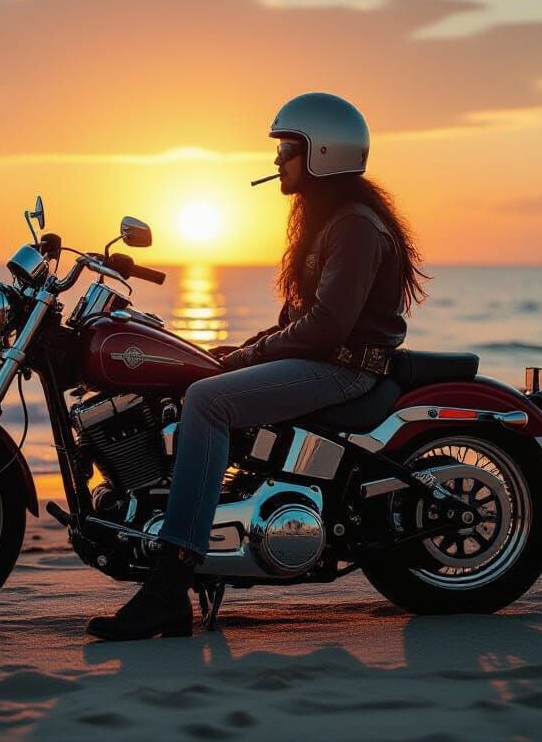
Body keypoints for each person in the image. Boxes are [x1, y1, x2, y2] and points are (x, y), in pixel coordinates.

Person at [86, 92, 428, 641]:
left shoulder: (355, 226)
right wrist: (232, 352)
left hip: (344, 370)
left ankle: (169, 586)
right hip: (324, 360)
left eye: (287, 149)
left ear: (322, 154)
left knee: (207, 400)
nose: (276, 161)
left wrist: (243, 358)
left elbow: (325, 329)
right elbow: (298, 322)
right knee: (193, 382)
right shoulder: (330, 222)